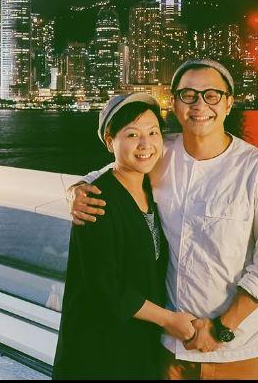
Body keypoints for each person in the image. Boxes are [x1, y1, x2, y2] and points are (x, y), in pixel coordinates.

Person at [69, 59, 258, 380]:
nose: (199, 105)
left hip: (238, 350)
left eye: (212, 95)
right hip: (170, 347)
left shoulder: (257, 169)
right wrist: (79, 188)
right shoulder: (163, 153)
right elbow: (120, 165)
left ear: (229, 103)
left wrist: (221, 328)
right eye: (188, 95)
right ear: (175, 104)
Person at [53, 93, 196, 380]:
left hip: (137, 341)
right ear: (110, 141)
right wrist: (170, 320)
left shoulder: (151, 191)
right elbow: (104, 287)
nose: (145, 144)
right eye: (132, 135)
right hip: (99, 346)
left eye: (153, 133)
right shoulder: (96, 201)